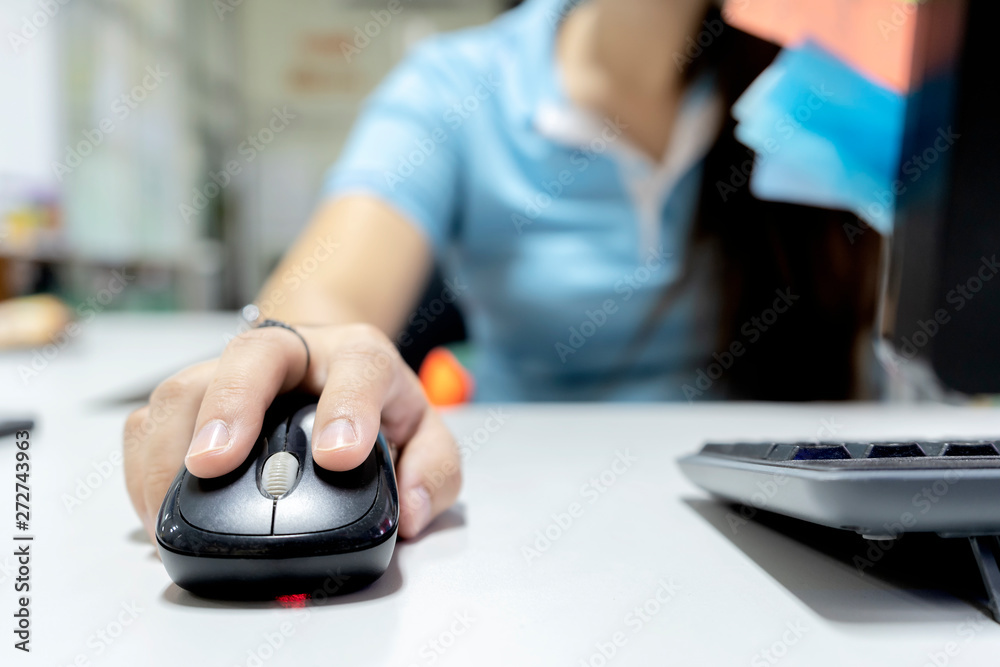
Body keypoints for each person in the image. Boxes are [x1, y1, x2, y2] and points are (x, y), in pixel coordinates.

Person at [124, 0, 880, 540]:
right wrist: (308, 352)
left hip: (795, 518)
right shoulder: (457, 87)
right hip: (535, 523)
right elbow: (330, 292)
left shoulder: (829, 83)